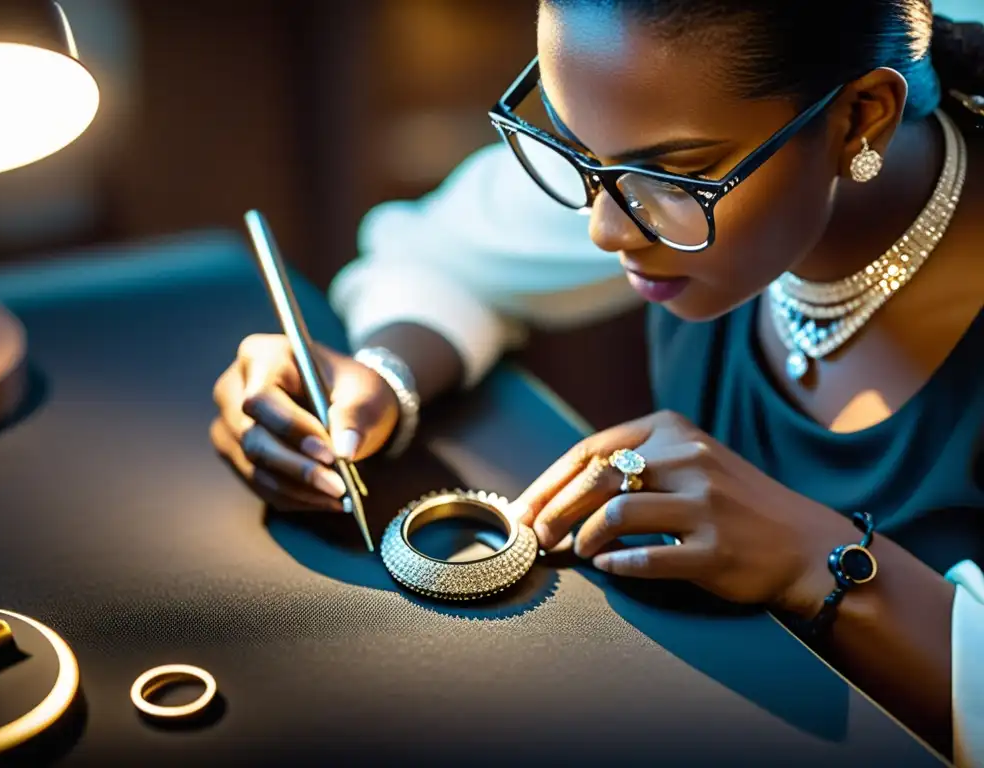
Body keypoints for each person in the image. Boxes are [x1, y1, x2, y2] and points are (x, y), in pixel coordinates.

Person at [211, 1, 984, 763]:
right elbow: (435, 254)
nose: (605, 231)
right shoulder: (669, 152)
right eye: (575, 152)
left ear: (861, 118)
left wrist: (811, 559)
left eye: (673, 173)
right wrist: (381, 378)